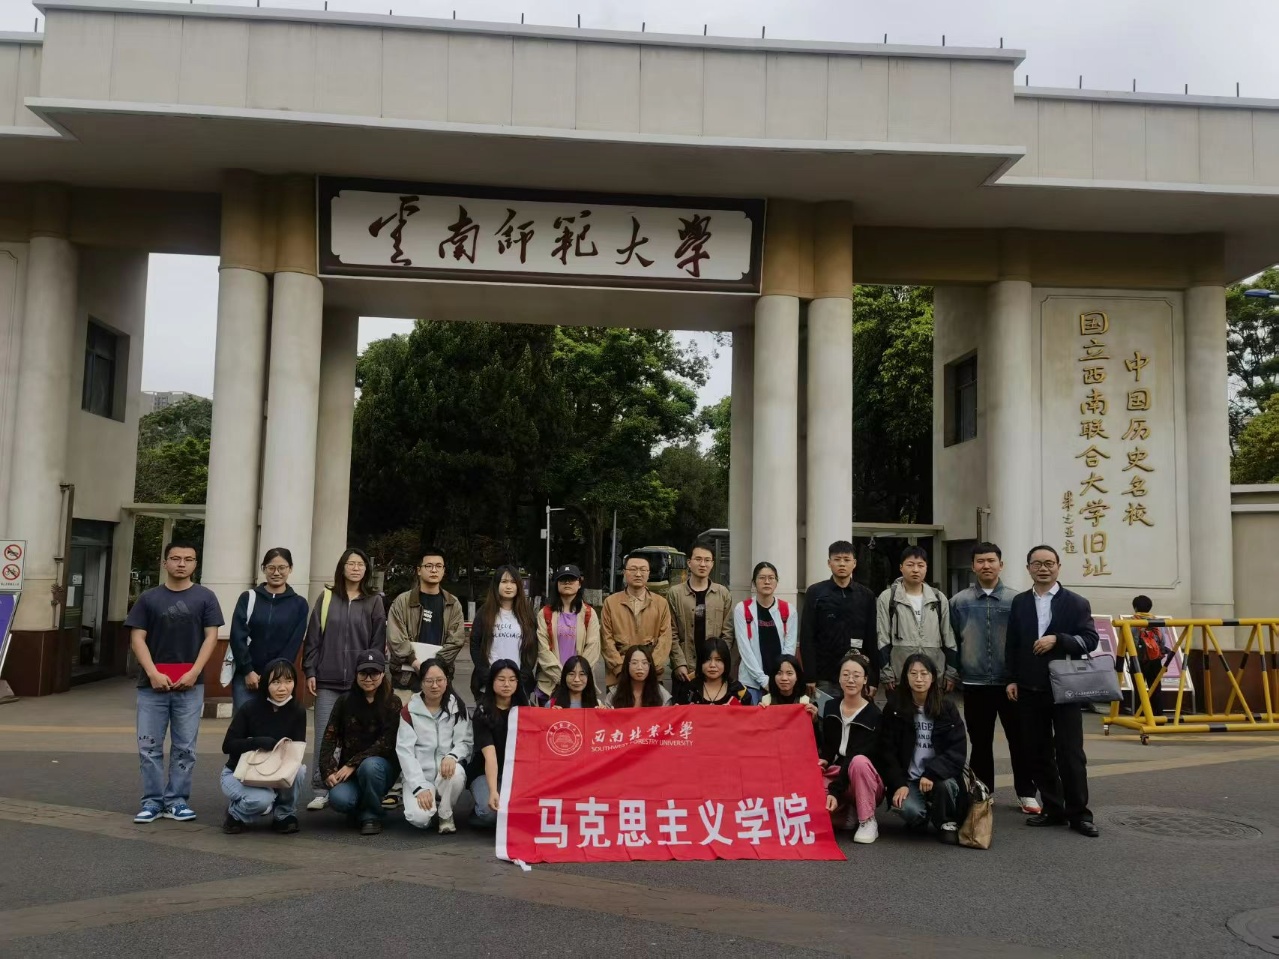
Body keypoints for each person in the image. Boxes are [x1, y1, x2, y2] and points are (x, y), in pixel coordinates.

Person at [1006, 545, 1101, 837]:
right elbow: (1012, 643)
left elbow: (1090, 639)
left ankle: (1079, 814)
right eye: (1037, 564)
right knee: (1037, 751)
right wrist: (1011, 678)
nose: (1043, 568)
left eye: (1049, 563)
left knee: (1070, 753)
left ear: (1058, 566)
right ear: (1028, 568)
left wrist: (1058, 639)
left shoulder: (1076, 603)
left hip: (1066, 689)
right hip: (1029, 687)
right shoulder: (1020, 602)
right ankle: (1053, 808)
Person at [126, 541, 224, 824]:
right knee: (149, 746)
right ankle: (152, 802)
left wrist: (194, 672)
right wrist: (152, 673)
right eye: (176, 558)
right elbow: (137, 639)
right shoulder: (148, 598)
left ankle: (177, 801)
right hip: (151, 686)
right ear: (165, 562)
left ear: (195, 564)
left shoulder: (205, 597)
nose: (182, 564)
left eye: (188, 559)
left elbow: (211, 637)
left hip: (190, 685)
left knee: (185, 747)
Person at [949, 542, 1040, 814]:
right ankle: (983, 792)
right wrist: (953, 673)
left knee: (1020, 740)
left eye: (991, 560)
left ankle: (1026, 793)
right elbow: (952, 641)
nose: (986, 565)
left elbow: (1025, 641)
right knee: (980, 743)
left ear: (1001, 564)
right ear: (973, 566)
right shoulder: (959, 602)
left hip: (1010, 683)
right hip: (974, 683)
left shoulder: (1017, 600)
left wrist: (1021, 676)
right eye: (980, 561)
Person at [302, 548, 386, 811]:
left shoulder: (374, 601)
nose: (356, 568)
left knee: (360, 736)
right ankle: (320, 788)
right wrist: (310, 670)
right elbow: (313, 637)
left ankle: (355, 785)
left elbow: (377, 642)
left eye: (361, 564)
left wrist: (374, 675)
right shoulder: (327, 597)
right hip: (327, 679)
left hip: (361, 682)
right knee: (324, 735)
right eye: (351, 563)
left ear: (366, 569)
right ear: (342, 567)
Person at [877, 653, 968, 843]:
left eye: (924, 674)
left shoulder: (946, 708)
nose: (919, 679)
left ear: (933, 677)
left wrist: (932, 773)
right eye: (913, 673)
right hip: (909, 778)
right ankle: (921, 816)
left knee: (944, 786)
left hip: (939, 777)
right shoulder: (894, 709)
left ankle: (945, 821)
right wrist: (898, 784)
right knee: (908, 809)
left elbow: (957, 750)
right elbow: (887, 752)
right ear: (906, 677)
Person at [219, 658, 308, 835]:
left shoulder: (297, 710)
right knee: (262, 800)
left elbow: (296, 750)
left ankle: (284, 815)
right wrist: (256, 742)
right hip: (240, 774)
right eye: (276, 682)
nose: (282, 688)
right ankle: (236, 814)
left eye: (288, 681)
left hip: (275, 770)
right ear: (265, 683)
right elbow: (227, 745)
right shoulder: (250, 708)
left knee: (298, 770)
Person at [319, 649, 401, 835]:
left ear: (382, 674)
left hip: (380, 767)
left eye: (374, 673)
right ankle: (359, 808)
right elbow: (330, 735)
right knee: (339, 799)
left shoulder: (393, 702)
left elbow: (387, 743)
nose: (368, 678)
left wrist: (354, 763)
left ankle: (372, 815)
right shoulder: (344, 701)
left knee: (369, 767)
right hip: (349, 770)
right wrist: (327, 770)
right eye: (363, 673)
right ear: (356, 674)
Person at [227, 547, 310, 713]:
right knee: (244, 725)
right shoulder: (248, 598)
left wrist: (275, 675)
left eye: (282, 568)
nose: (276, 573)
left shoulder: (299, 604)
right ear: (263, 569)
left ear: (290, 569)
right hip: (246, 677)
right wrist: (248, 670)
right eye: (271, 567)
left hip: (279, 680)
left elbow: (293, 644)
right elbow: (237, 636)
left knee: (274, 726)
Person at [396, 658, 472, 834]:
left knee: (457, 773)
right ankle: (428, 810)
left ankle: (446, 813)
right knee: (419, 819)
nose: (435, 686)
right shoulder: (409, 711)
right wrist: (419, 787)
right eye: (429, 681)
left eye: (440, 680)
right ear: (421, 682)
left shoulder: (457, 707)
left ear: (447, 680)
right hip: (420, 775)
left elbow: (465, 742)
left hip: (445, 773)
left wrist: (452, 756)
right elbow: (405, 753)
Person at [799, 540, 878, 700]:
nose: (842, 564)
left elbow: (871, 639)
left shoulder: (866, 595)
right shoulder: (815, 592)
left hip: (857, 674)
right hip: (824, 675)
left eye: (846, 559)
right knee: (825, 714)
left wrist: (873, 678)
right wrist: (810, 676)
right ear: (829, 563)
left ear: (854, 563)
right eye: (837, 559)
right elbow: (807, 636)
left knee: (856, 714)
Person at [819, 652, 884, 843]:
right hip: (838, 772)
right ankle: (845, 811)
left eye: (856, 675)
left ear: (865, 680)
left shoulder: (874, 715)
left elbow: (856, 754)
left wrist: (834, 791)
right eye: (846, 674)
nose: (850, 680)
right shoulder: (830, 706)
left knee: (859, 762)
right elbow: (829, 745)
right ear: (839, 678)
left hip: (864, 778)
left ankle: (867, 819)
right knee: (813, 790)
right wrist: (824, 760)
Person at [877, 546, 958, 695]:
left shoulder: (938, 598)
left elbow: (949, 637)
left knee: (933, 709)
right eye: (910, 565)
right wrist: (886, 672)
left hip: (933, 675)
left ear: (926, 568)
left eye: (920, 565)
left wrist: (951, 672)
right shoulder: (888, 597)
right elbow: (882, 638)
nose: (915, 570)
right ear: (901, 567)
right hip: (899, 675)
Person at [386, 547, 466, 697]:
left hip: (440, 680)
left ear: (443, 570)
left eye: (438, 566)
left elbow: (456, 640)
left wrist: (435, 666)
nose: (434, 570)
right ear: (419, 570)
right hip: (406, 680)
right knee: (404, 712)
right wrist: (414, 661)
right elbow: (395, 638)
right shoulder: (402, 601)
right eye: (429, 566)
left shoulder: (452, 603)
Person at [669, 539, 734, 700]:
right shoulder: (675, 594)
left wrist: (719, 662)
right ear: (689, 562)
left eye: (707, 560)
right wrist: (679, 663)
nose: (703, 564)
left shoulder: (722, 594)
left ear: (712, 564)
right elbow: (671, 632)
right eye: (698, 559)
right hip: (685, 670)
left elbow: (728, 633)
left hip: (714, 670)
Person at [468, 659, 530, 828]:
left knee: (523, 810)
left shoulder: (526, 710)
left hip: (515, 772)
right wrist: (493, 791)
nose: (506, 684)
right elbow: (490, 756)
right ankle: (477, 809)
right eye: (501, 679)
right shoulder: (483, 712)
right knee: (491, 812)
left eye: (512, 680)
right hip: (485, 771)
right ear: (492, 682)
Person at [601, 554, 673, 689]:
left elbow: (665, 640)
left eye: (643, 570)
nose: (638, 574)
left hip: (652, 676)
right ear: (624, 572)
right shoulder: (611, 603)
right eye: (633, 569)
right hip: (618, 677)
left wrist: (648, 668)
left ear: (648, 573)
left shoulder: (661, 603)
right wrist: (620, 668)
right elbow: (606, 640)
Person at [469, 565, 538, 702]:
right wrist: (487, 676)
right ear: (496, 585)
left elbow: (532, 648)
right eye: (504, 581)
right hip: (488, 684)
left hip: (518, 684)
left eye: (513, 582)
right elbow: (475, 644)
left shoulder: (527, 615)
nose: (509, 586)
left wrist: (521, 677)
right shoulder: (484, 612)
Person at [535, 564, 602, 702]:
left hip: (580, 686)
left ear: (579, 583)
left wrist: (577, 676)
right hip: (550, 687)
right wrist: (564, 678)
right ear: (556, 584)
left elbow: (593, 648)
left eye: (571, 579)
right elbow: (543, 650)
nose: (567, 583)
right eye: (562, 579)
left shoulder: (589, 614)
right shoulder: (545, 613)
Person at [734, 562, 797, 704]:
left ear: (776, 582)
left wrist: (779, 678)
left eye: (771, 578)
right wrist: (763, 680)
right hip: (750, 683)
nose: (767, 581)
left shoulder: (788, 610)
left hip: (780, 683)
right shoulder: (742, 609)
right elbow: (744, 649)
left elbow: (789, 649)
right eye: (762, 578)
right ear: (754, 582)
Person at [678, 637, 749, 706]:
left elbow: (750, 713)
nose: (712, 665)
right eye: (707, 659)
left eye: (718, 660)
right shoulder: (689, 690)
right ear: (700, 662)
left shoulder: (738, 691)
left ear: (726, 662)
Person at [1131, 594, 1169, 715]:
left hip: (1137, 659)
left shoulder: (1131, 622)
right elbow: (1163, 641)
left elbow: (1129, 641)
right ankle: (1158, 715)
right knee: (1156, 687)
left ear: (1135, 608)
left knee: (1139, 688)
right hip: (1155, 659)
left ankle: (1141, 714)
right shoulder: (1157, 621)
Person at [604, 645, 672, 707]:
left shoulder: (661, 694)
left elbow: (668, 715)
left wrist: (675, 711)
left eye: (644, 663)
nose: (640, 667)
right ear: (627, 666)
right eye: (634, 663)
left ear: (650, 666)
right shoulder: (614, 694)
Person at [760, 654, 818, 719]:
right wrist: (758, 715)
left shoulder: (807, 703)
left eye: (789, 673)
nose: (784, 678)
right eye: (779, 673)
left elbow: (812, 725)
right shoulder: (765, 702)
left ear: (797, 676)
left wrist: (814, 719)